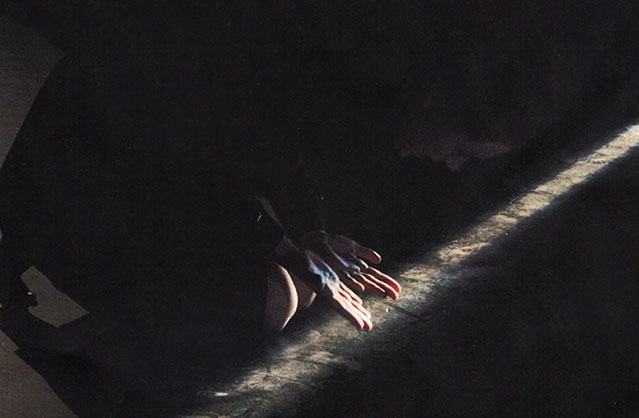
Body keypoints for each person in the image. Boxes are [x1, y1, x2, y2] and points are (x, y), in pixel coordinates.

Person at [0, 20, 400, 352]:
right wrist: (291, 249)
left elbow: (270, 157)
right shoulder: (207, 45)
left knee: (297, 281)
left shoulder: (260, 50)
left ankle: (128, 318)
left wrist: (310, 237)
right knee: (277, 298)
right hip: (76, 222)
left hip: (83, 208)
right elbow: (200, 173)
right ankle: (121, 327)